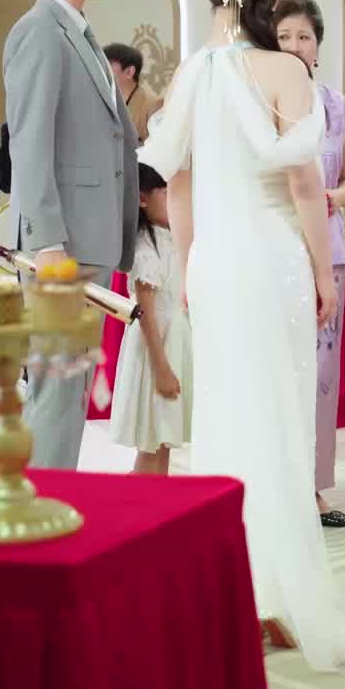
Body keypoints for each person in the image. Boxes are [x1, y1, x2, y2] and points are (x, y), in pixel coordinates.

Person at [141, 0, 345, 670]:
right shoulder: (283, 70)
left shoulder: (191, 76)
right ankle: (277, 592)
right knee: (280, 419)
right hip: (272, 257)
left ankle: (233, 590)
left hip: (215, 260)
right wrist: (321, 271)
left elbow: (176, 183)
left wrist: (189, 263)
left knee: (224, 419)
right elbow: (305, 183)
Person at [3, 0, 139, 470]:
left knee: (69, 389)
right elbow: (29, 144)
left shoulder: (78, 30)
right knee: (57, 391)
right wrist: (48, 244)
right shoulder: (39, 30)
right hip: (62, 248)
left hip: (88, 241)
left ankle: (52, 496)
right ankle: (38, 506)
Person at [274, 0, 345, 531]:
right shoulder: (262, 100)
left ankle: (312, 486)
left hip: (329, 248)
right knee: (279, 371)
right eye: (283, 36)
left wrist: (334, 197)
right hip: (277, 248)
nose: (294, 45)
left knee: (322, 374)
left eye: (303, 36)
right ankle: (275, 482)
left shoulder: (335, 105)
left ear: (318, 46)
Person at [109, 163, 192, 476]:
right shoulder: (145, 246)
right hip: (156, 350)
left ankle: (153, 494)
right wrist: (161, 369)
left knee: (162, 440)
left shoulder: (172, 237)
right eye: (166, 192)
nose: (175, 200)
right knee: (152, 442)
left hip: (174, 345)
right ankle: (139, 496)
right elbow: (145, 315)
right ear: (143, 199)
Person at [104, 43, 164, 142]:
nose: (103, 71)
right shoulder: (105, 103)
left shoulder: (154, 105)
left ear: (129, 72)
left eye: (107, 66)